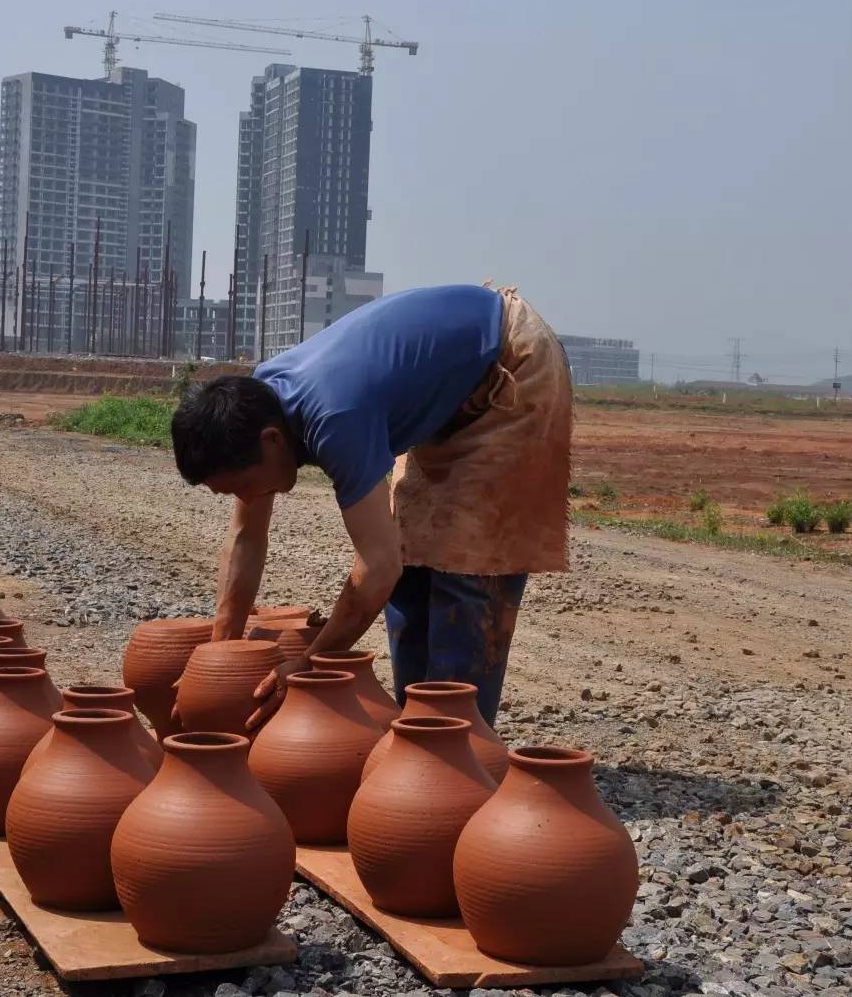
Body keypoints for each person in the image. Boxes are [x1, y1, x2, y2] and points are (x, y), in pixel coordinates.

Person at [170, 283, 572, 730]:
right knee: (412, 566)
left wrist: (308, 662)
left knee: (469, 569)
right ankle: (420, 728)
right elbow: (247, 535)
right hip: (451, 387)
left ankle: (460, 744)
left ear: (272, 441)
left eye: (243, 485)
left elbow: (377, 567)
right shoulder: (256, 404)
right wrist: (218, 654)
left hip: (510, 362)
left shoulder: (334, 417)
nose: (246, 499)